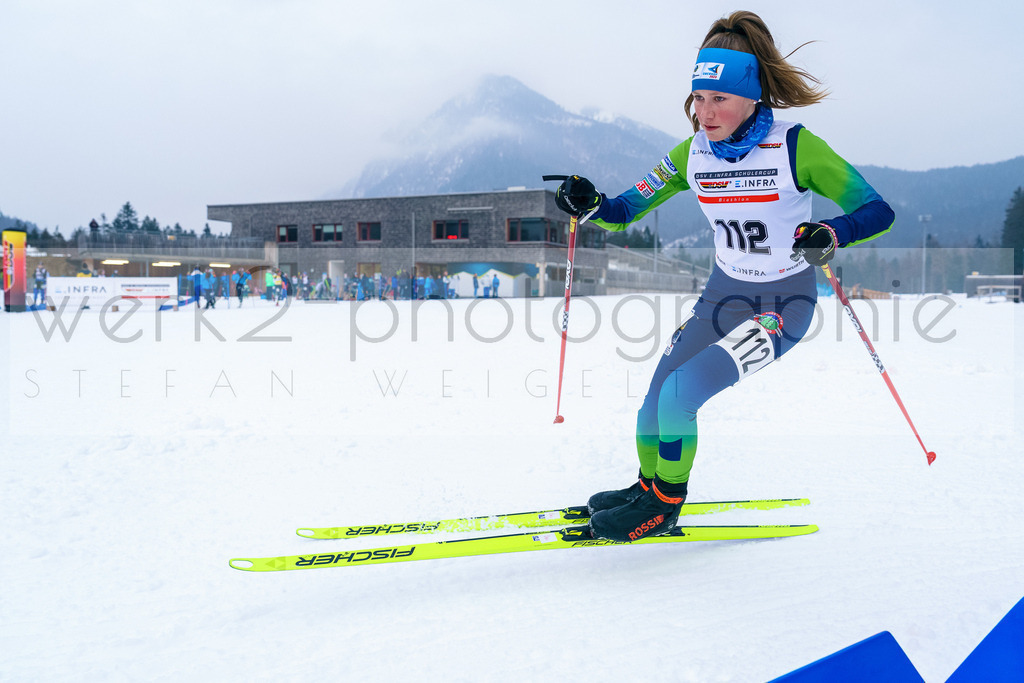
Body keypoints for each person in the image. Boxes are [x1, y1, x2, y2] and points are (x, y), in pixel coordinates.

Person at [552, 11, 894, 543]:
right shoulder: (693, 154)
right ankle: (647, 487)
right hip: (722, 297)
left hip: (783, 304)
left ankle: (664, 505)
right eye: (698, 98)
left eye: (719, 99)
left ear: (753, 96)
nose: (704, 113)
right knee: (653, 403)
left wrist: (831, 231)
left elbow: (877, 210)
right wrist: (591, 202)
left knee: (682, 393)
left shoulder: (796, 146)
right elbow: (624, 207)